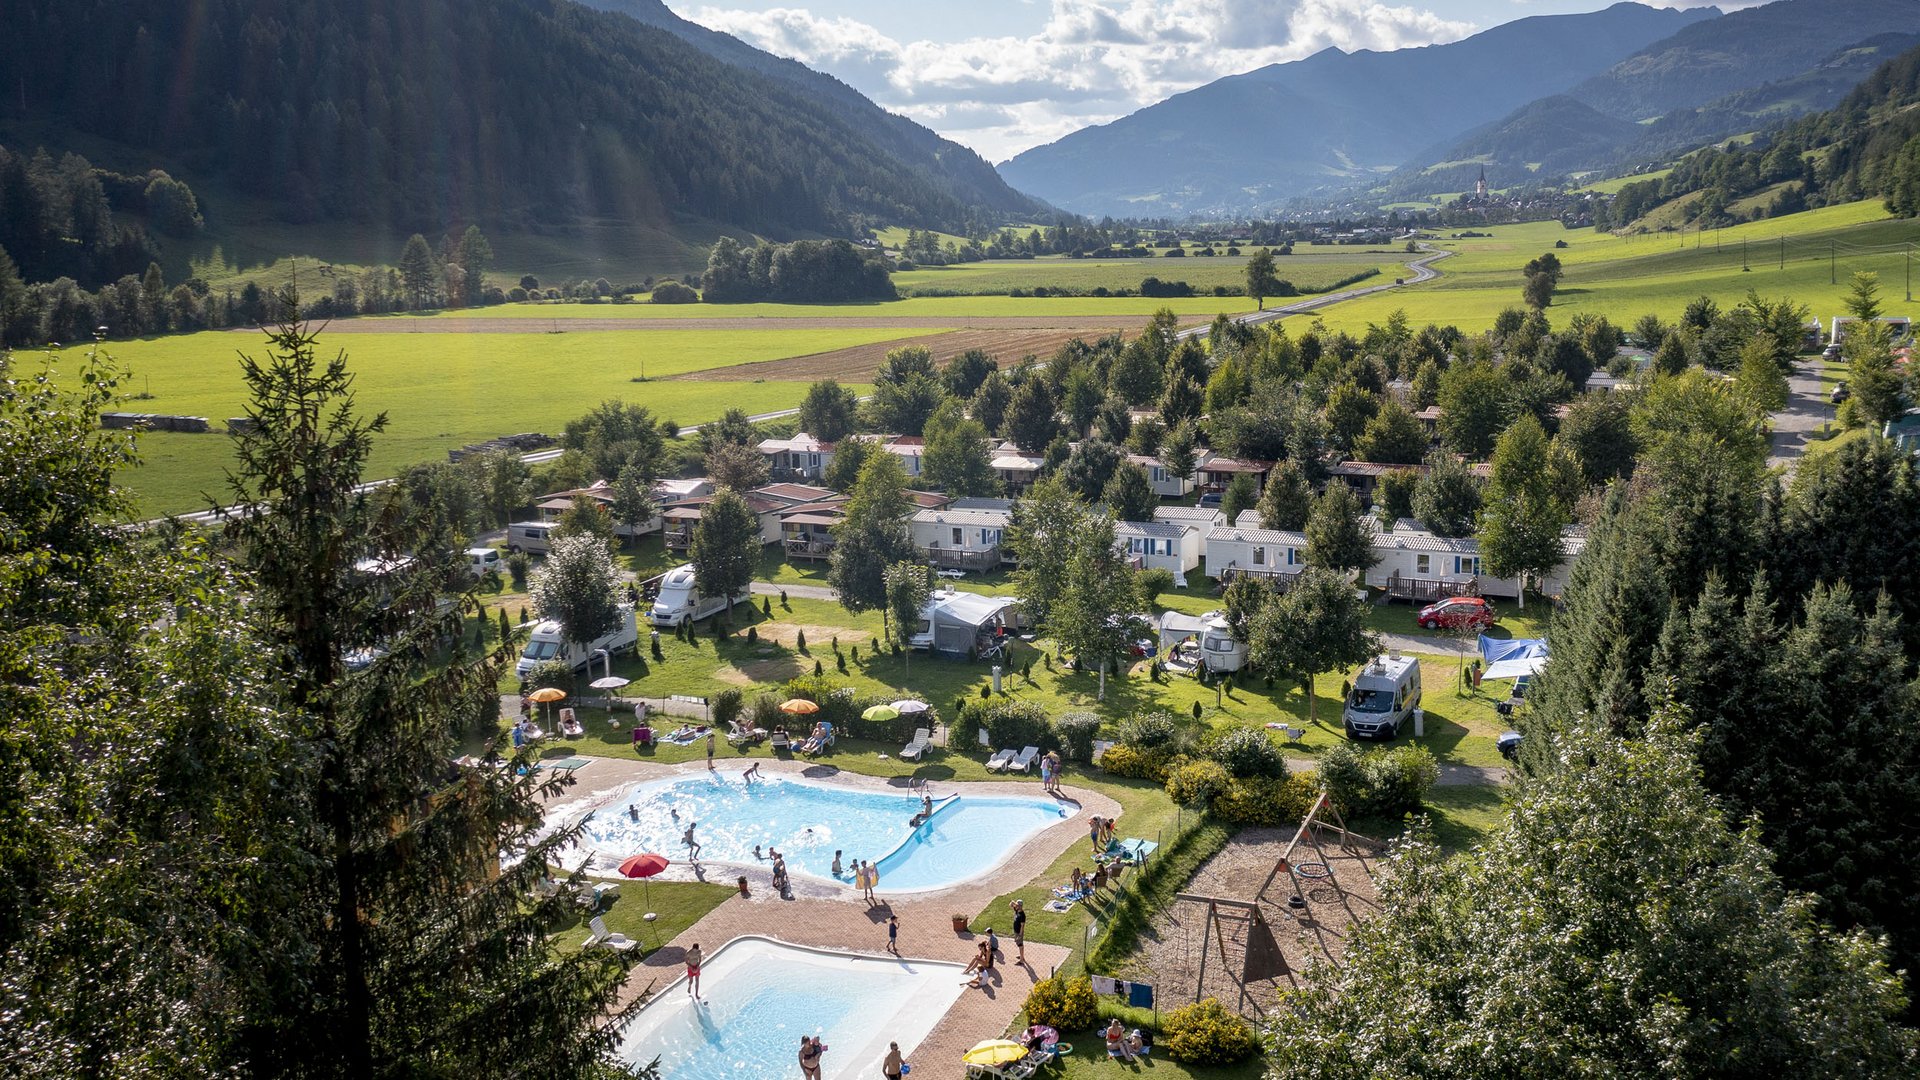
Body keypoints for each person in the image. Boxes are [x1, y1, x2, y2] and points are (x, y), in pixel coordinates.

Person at [1011, 899, 1027, 963]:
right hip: (1016, 930)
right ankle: (1022, 956)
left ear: (1020, 906)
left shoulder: (1022, 915)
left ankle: (1021, 960)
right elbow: (1011, 904)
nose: (1015, 906)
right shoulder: (1017, 910)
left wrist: (1020, 935)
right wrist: (1015, 904)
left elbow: (1022, 926)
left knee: (1020, 945)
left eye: (1017, 905)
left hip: (1019, 932)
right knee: (1018, 944)